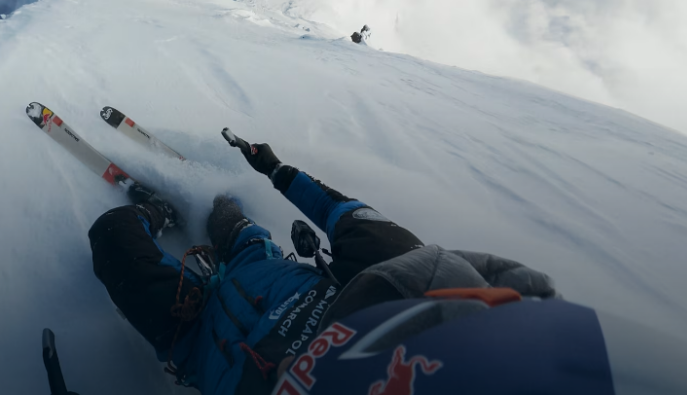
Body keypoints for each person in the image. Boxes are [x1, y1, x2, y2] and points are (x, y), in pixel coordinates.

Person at [88, 135, 558, 394]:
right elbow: (340, 212)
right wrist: (275, 170)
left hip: (191, 335)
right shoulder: (397, 274)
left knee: (113, 235)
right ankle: (174, 211)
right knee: (224, 213)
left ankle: (156, 214)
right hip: (257, 262)